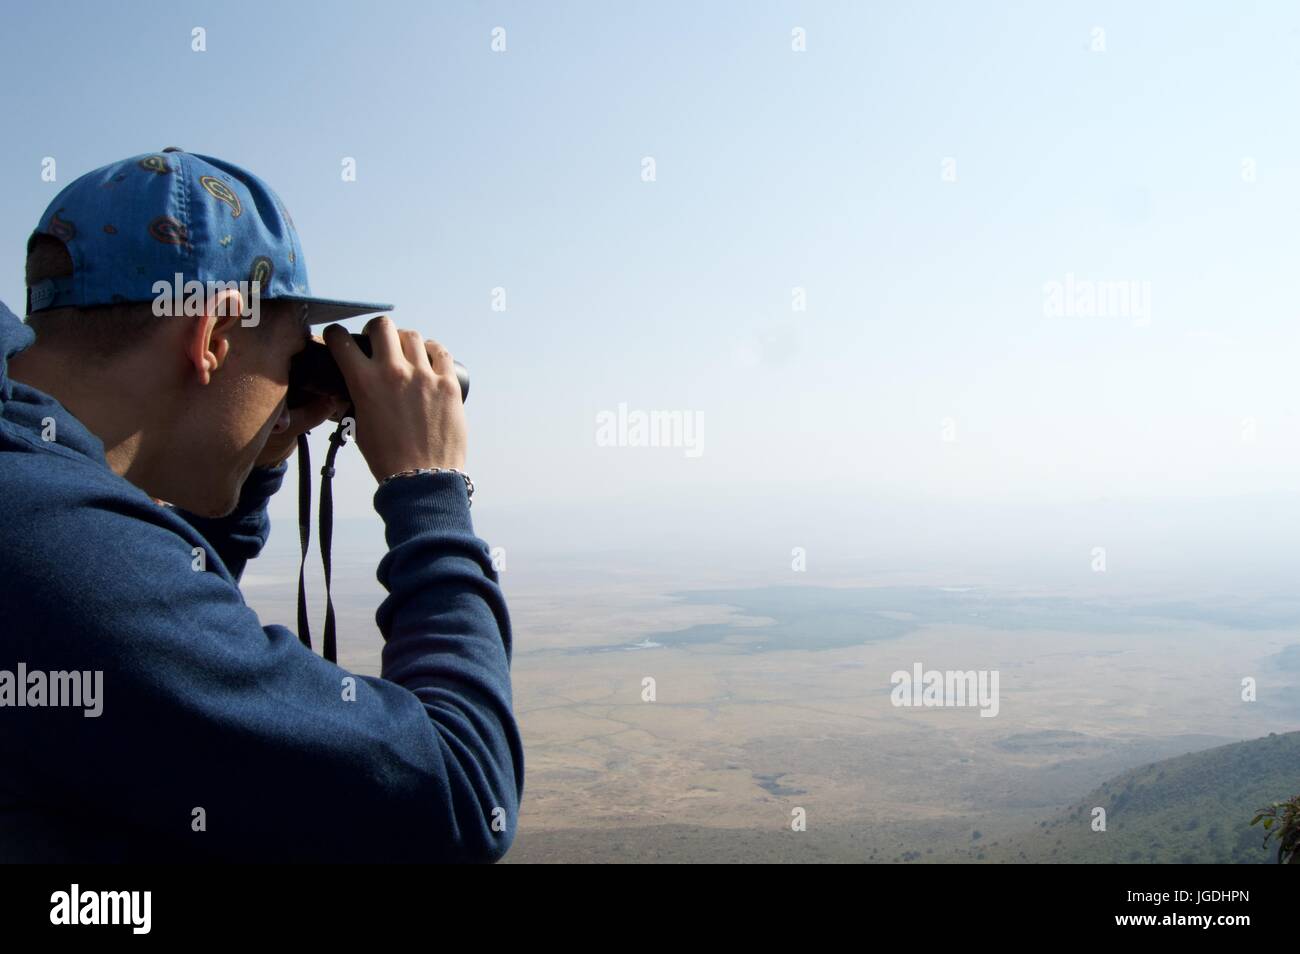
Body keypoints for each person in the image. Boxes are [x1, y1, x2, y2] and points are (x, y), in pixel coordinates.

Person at [0, 148, 523, 862]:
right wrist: (429, 490)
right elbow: (461, 797)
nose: (290, 389)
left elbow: (154, 629)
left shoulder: (35, 487)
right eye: (287, 360)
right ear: (213, 337)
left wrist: (252, 459)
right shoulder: (58, 547)